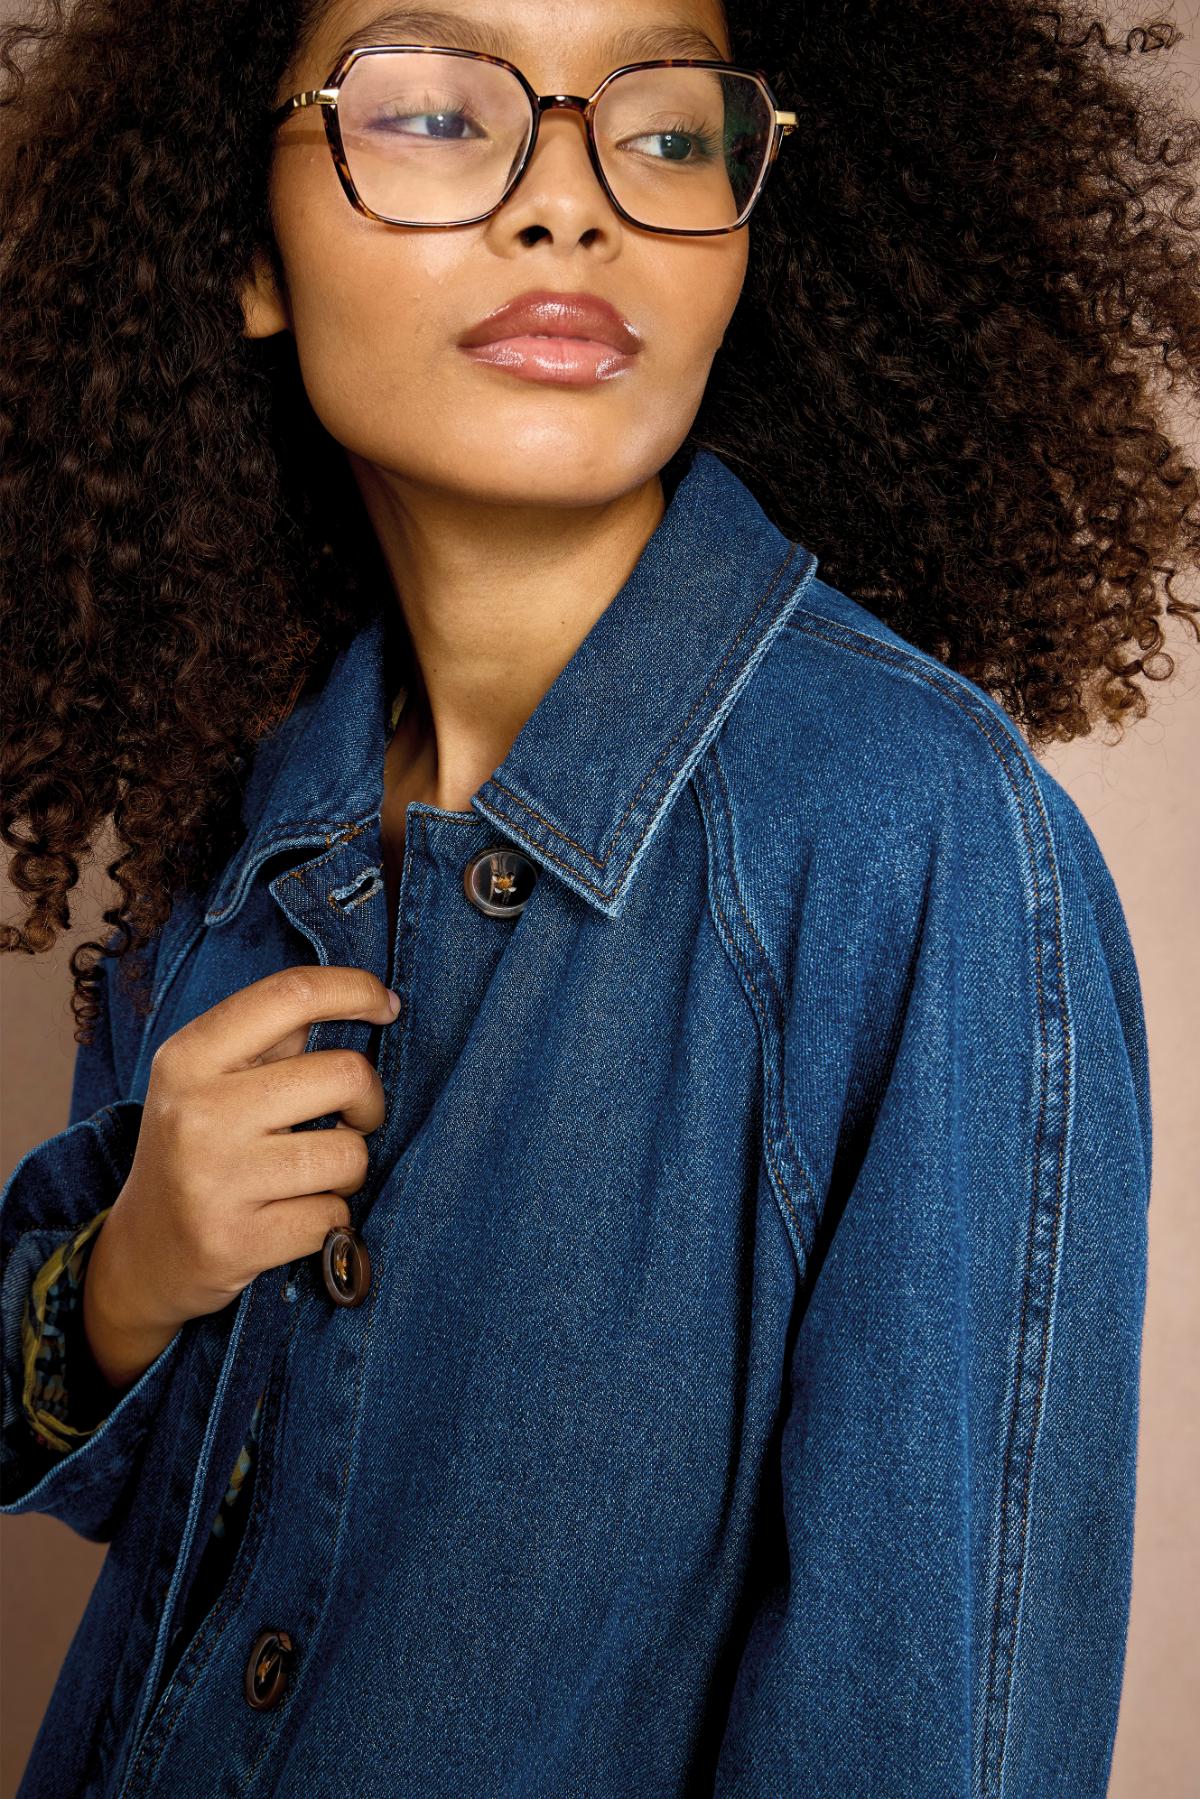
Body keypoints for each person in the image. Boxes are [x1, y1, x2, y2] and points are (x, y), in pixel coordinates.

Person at [0, 0, 1194, 1792]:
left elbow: (933, 1719)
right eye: (430, 112)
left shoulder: (914, 842)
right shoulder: (246, 821)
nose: (571, 200)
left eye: (666, 131)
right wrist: (118, 1287)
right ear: (240, 250)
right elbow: (188, 1531)